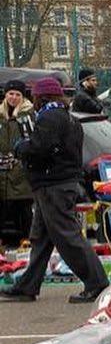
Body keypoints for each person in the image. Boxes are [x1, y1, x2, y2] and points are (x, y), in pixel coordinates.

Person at [0, 77, 109, 304]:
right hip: (60, 183)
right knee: (40, 239)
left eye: (35, 96)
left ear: (40, 97)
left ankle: (96, 282)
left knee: (67, 236)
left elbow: (41, 148)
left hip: (53, 186)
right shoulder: (70, 118)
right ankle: (27, 286)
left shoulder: (49, 117)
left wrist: (22, 147)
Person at [0, 80, 35, 244]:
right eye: (10, 94)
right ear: (5, 95)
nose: (13, 98)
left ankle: (28, 246)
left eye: (17, 94)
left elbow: (32, 142)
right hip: (2, 174)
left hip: (21, 174)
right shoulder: (1, 115)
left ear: (23, 97)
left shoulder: (28, 115)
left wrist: (19, 160)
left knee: (24, 213)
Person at [71, 68, 111, 135]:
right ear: (85, 83)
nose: (96, 83)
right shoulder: (82, 96)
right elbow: (97, 109)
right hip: (87, 132)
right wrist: (103, 102)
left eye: (96, 80)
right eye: (93, 80)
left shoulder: (90, 95)